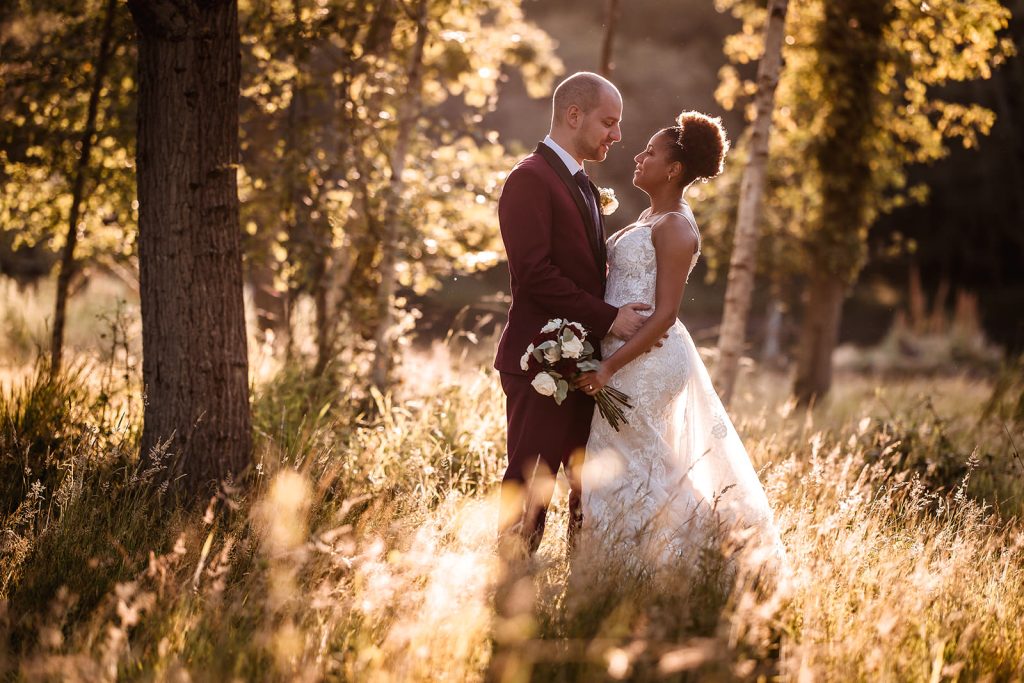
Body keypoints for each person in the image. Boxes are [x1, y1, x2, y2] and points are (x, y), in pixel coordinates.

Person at [574, 112, 783, 566]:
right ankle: (635, 564)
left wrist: (609, 366)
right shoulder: (653, 216)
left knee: (636, 462)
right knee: (631, 462)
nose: (639, 155)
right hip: (627, 354)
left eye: (650, 151)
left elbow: (666, 314)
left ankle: (710, 555)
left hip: (646, 362)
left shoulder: (675, 228)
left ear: (672, 170)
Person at [494, 72, 650, 558]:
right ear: (573, 114)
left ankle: (580, 580)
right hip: (539, 362)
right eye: (609, 122)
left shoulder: (581, 183)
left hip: (581, 367)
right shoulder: (529, 179)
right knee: (529, 481)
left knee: (584, 484)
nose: (617, 135)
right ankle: (509, 583)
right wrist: (608, 318)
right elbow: (534, 273)